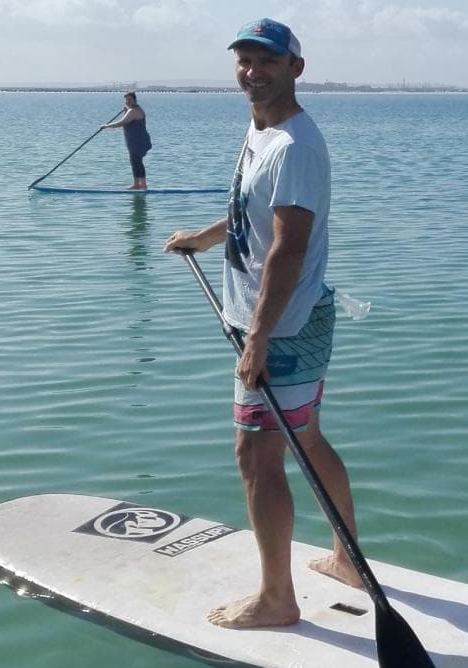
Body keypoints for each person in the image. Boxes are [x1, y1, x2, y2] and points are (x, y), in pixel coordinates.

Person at [163, 18, 361, 629]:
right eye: (244, 61)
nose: (253, 71)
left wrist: (257, 338)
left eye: (266, 61)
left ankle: (276, 600)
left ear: (295, 68)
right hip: (297, 318)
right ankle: (347, 561)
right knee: (306, 438)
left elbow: (288, 247)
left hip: (281, 328)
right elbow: (252, 217)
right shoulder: (261, 130)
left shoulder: (295, 145)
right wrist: (205, 236)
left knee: (256, 456)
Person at [101, 91, 152, 189]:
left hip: (139, 141)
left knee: (137, 161)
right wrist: (125, 111)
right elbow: (127, 121)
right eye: (126, 100)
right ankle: (137, 184)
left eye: (130, 100)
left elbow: (122, 122)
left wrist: (107, 126)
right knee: (134, 161)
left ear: (135, 100)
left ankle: (143, 185)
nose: (127, 102)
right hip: (134, 141)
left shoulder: (134, 111)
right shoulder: (131, 110)